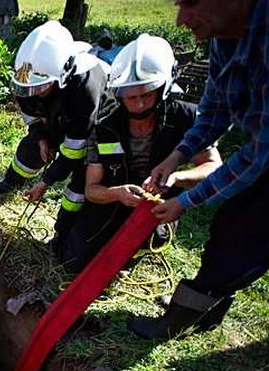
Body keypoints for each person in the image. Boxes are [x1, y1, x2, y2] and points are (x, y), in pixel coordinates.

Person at [128, 0, 269, 339]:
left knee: (248, 227)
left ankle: (187, 314)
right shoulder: (226, 34)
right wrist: (176, 156)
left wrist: (185, 201)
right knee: (235, 223)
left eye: (190, 3)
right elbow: (213, 112)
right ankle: (205, 305)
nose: (181, 20)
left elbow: (260, 154)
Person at [59, 34, 221, 274]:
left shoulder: (184, 118)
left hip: (157, 211)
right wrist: (117, 194)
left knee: (119, 261)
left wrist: (176, 178)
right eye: (130, 97)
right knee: (74, 262)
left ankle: (141, 248)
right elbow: (92, 190)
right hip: (113, 204)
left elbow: (213, 165)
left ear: (163, 88)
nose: (139, 105)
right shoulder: (105, 127)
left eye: (146, 95)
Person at [0, 20, 107, 252]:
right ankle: (9, 183)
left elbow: (75, 147)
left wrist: (47, 181)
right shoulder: (29, 78)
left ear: (64, 74)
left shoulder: (86, 87)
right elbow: (31, 111)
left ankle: (63, 234)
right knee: (30, 148)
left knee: (79, 186)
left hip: (95, 131)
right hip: (59, 117)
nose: (33, 94)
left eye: (40, 88)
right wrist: (42, 136)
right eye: (28, 88)